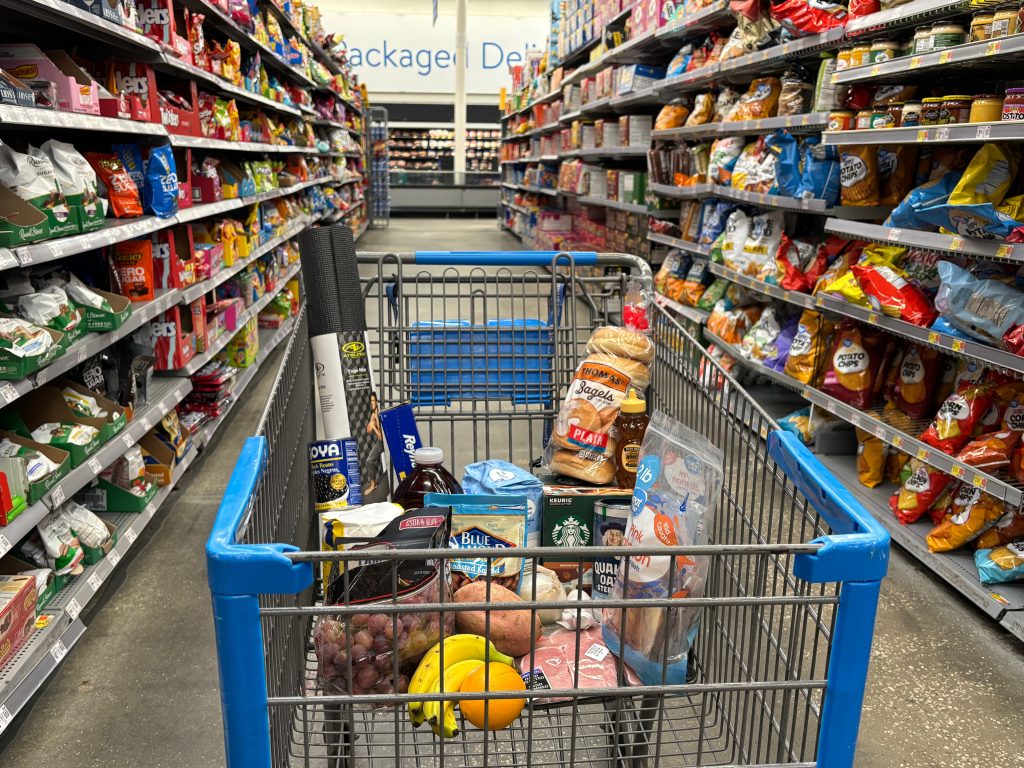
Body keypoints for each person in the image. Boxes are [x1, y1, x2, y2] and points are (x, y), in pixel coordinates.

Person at [363, 392, 385, 496]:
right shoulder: (373, 413)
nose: (372, 403)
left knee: (369, 461)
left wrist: (374, 427)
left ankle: (373, 485)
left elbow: (381, 436)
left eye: (373, 400)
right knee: (369, 461)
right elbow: (368, 430)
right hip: (380, 442)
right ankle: (373, 484)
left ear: (377, 401)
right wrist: (369, 426)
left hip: (383, 441)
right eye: (371, 400)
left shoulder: (379, 413)